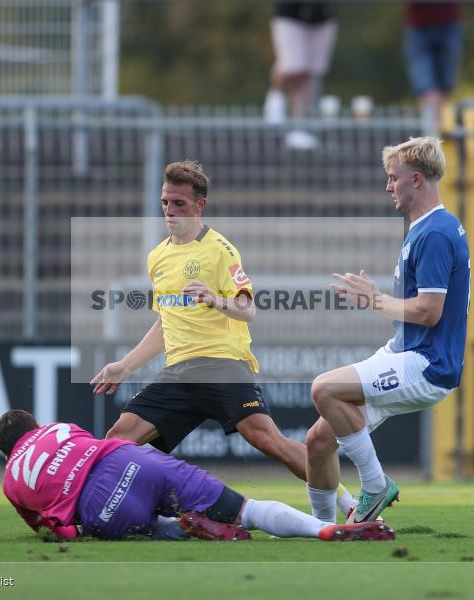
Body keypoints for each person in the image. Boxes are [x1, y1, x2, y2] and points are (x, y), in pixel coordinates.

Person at [91, 160, 356, 521]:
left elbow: (248, 310)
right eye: (165, 202)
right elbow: (166, 322)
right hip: (178, 373)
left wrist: (215, 300)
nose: (170, 210)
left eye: (179, 203)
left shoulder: (220, 250)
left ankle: (349, 503)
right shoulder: (158, 256)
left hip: (220, 365)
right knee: (118, 439)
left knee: (268, 440)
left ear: (200, 205)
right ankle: (112, 512)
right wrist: (125, 366)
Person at [305, 137, 469, 523]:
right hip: (406, 351)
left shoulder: (435, 233)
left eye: (393, 177)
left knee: (323, 389)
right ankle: (323, 528)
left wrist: (376, 300)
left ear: (416, 179)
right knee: (318, 441)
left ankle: (376, 486)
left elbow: (429, 312)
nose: (388, 186)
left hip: (428, 364)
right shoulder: (426, 228)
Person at [0, 409, 395, 542]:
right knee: (249, 510)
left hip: (101, 506)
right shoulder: (58, 428)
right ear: (35, 425)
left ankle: (181, 529)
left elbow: (54, 529)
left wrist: (78, 530)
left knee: (149, 526)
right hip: (132, 462)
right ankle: (323, 529)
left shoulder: (11, 481)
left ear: (7, 453)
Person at [263, 2, 338, 150]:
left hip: (322, 16)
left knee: (308, 73)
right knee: (292, 65)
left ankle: (299, 127)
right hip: (290, 14)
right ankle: (276, 96)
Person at [403, 1, 462, 135]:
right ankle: (433, 128)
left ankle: (435, 128)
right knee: (425, 85)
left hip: (448, 23)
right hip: (419, 25)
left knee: (445, 83)